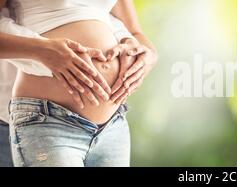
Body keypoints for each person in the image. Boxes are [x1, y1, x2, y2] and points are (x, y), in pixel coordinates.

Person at [0, 0, 158, 167]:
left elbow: (136, 33)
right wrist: (43, 50)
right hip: (48, 120)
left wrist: (146, 57)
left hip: (112, 125)